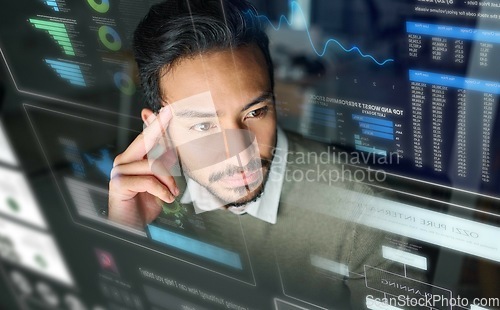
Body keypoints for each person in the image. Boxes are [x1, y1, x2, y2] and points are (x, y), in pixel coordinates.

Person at [108, 0, 424, 308]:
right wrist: (124, 235)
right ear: (160, 130)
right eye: (204, 126)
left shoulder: (364, 215)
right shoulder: (143, 195)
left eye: (256, 112)